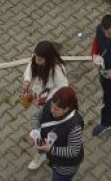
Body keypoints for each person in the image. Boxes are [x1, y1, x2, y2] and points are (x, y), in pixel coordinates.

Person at [23, 42, 70, 170]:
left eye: (40, 59)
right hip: (39, 99)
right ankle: (40, 149)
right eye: (36, 57)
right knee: (35, 123)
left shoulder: (57, 70)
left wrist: (46, 99)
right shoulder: (37, 59)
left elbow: (63, 88)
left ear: (48, 58)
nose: (36, 61)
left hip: (50, 105)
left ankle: (42, 153)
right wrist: (27, 80)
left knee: (42, 129)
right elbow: (30, 66)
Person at [34, 86, 85, 181]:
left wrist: (51, 149)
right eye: (52, 106)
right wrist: (35, 130)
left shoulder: (75, 126)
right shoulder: (51, 103)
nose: (52, 110)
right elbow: (37, 116)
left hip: (65, 167)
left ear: (66, 109)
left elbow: (73, 151)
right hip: (54, 159)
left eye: (56, 109)